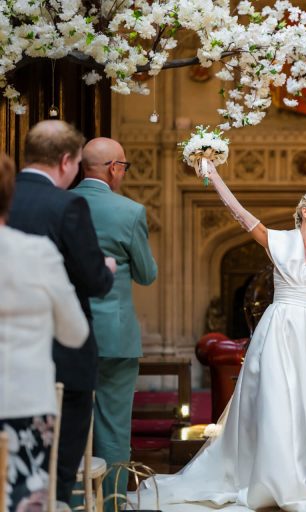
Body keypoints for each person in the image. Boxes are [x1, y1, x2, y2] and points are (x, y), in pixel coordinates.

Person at [140, 164, 306, 511]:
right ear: (305, 212)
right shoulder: (277, 241)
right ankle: (275, 475)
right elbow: (239, 214)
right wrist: (215, 175)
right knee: (276, 399)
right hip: (277, 330)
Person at [7, 121, 115, 506]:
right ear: (68, 161)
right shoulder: (67, 204)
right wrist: (106, 270)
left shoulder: (7, 199)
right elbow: (91, 280)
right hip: (58, 361)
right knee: (56, 473)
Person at [0, 153, 89, 511]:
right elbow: (75, 333)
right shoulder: (38, 253)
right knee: (23, 500)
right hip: (25, 403)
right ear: (10, 197)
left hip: (25, 403)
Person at [73, 137, 158, 511]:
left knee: (69, 419)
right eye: (123, 166)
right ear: (113, 168)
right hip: (115, 335)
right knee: (113, 424)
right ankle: (109, 503)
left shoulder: (61, 206)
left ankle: (74, 501)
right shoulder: (130, 211)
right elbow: (147, 274)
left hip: (64, 332)